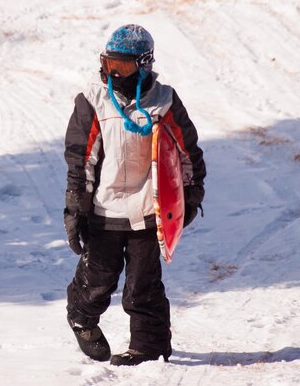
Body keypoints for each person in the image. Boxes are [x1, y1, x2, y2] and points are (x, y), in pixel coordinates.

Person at [63, 24, 206, 366]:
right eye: (108, 64)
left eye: (122, 67)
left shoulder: (164, 100)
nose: (112, 72)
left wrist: (190, 195)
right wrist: (75, 208)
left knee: (144, 285)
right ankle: (82, 318)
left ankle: (148, 346)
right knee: (98, 282)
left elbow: (187, 153)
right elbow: (81, 157)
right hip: (104, 211)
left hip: (147, 212)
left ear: (143, 64)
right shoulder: (93, 99)